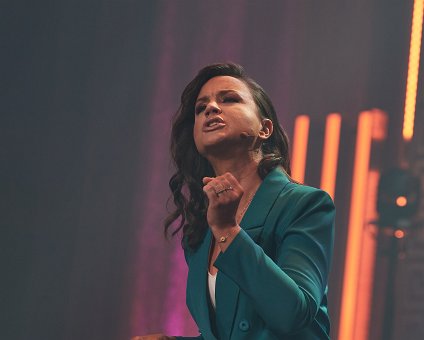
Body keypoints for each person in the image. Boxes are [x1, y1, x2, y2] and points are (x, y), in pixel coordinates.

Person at [136, 63, 335, 340]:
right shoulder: (201, 230)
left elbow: (292, 314)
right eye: (200, 107)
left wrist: (228, 231)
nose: (211, 108)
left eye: (229, 99)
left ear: (265, 128)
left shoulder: (305, 204)